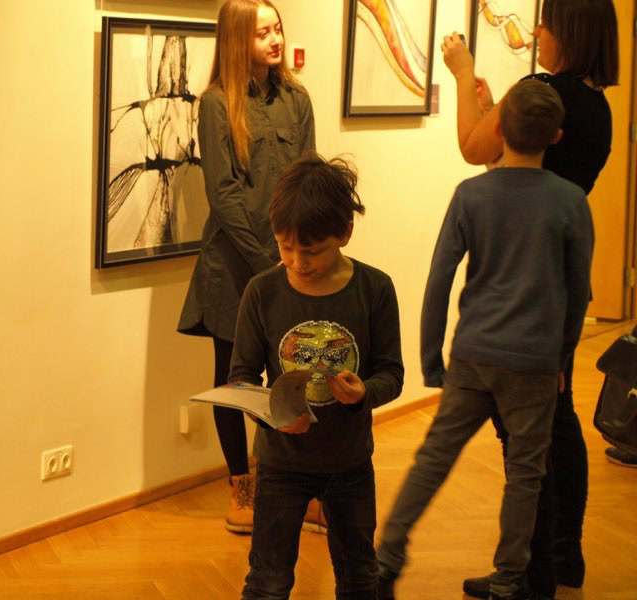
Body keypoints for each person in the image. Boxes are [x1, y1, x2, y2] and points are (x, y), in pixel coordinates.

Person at [376, 79, 594, 600]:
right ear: (556, 136)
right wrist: (562, 357)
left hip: (474, 353)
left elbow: (439, 280)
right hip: (535, 362)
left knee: (433, 459)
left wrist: (431, 359)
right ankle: (508, 577)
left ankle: (385, 560)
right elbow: (578, 292)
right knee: (525, 472)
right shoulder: (570, 202)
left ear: (497, 130)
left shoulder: (470, 195)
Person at [441, 1, 619, 595]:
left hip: (519, 284)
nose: (536, 30)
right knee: (555, 420)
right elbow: (518, 157)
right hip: (562, 280)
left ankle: (526, 572)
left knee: (524, 432)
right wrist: (498, 107)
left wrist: (463, 73)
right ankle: (562, 558)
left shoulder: (542, 89)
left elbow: (475, 148)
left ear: (569, 29)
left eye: (546, 21)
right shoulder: (597, 107)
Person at [231, 152, 404, 599]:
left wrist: (363, 393)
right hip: (280, 465)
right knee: (268, 582)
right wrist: (272, 414)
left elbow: (392, 373)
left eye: (311, 251)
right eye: (284, 247)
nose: (297, 261)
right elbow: (242, 378)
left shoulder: (375, 289)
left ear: (344, 233)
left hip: (349, 463)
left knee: (359, 578)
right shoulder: (262, 291)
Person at [176, 0, 317, 534]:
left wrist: (300, 255)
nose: (275, 39)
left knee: (291, 377)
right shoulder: (216, 103)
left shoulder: (298, 99)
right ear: (238, 40)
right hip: (235, 267)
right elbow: (224, 194)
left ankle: (292, 484)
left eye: (277, 28)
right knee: (235, 379)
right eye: (263, 33)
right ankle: (242, 487)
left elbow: (308, 178)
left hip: (290, 261)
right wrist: (269, 261)